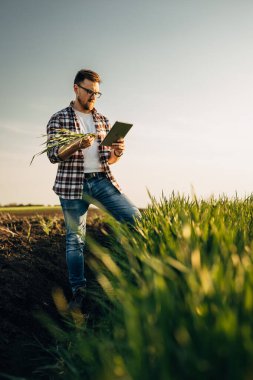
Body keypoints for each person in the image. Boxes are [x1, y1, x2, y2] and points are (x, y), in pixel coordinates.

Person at [47, 69, 141, 310]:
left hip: (101, 181)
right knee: (75, 240)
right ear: (76, 88)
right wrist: (76, 144)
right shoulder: (59, 119)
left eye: (97, 93)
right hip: (72, 185)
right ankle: (79, 292)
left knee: (134, 219)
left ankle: (125, 275)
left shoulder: (103, 120)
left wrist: (118, 152)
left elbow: (109, 160)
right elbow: (53, 155)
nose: (93, 97)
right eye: (89, 92)